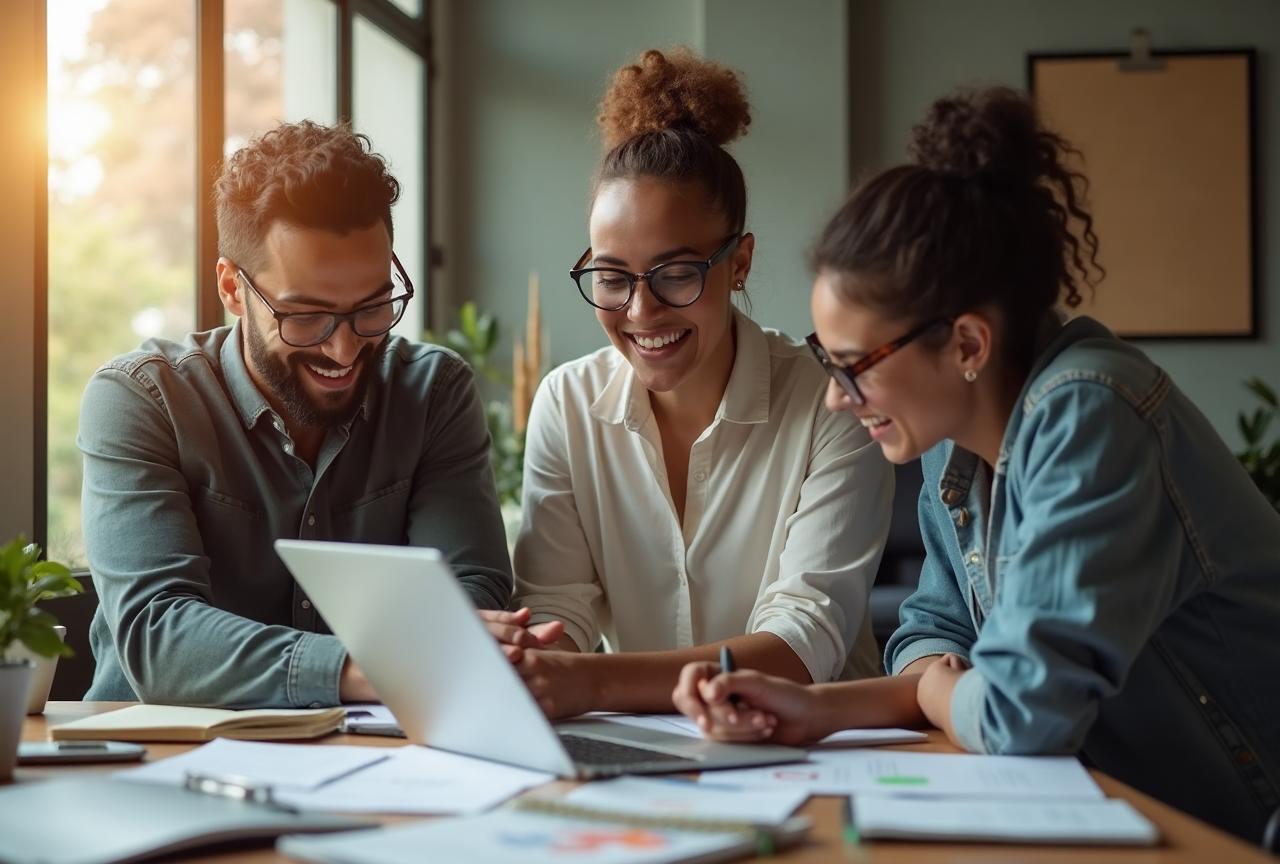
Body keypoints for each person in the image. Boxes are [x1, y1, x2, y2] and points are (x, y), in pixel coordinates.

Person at [672, 86, 1280, 840]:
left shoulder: (1092, 414)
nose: (836, 399)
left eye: (855, 365)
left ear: (966, 345)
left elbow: (1022, 712)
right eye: (829, 362)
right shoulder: (953, 439)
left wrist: (933, 694)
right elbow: (931, 627)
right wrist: (814, 708)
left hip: (1239, 827)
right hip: (1120, 810)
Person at [491, 48, 893, 720]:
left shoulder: (831, 403)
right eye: (613, 277)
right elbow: (559, 610)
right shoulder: (567, 403)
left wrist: (592, 684)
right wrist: (525, 653)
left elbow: (804, 642)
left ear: (739, 262)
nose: (642, 312)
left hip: (815, 744)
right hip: (647, 748)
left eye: (677, 273)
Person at [80, 121, 512, 708]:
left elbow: (475, 597)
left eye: (374, 306)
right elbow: (158, 636)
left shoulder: (432, 392)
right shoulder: (141, 401)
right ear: (233, 288)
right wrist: (367, 669)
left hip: (371, 760)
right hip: (156, 763)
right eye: (306, 316)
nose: (345, 348)